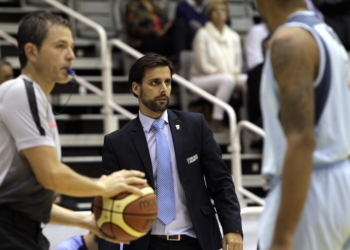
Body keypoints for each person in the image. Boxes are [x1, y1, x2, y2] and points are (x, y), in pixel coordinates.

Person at [0, 12, 147, 250]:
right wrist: (103, 186)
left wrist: (87, 221)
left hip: (23, 229)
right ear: (32, 51)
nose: (72, 56)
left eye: (72, 46)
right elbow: (51, 175)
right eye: (60, 46)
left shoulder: (36, 99)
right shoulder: (21, 91)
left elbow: (26, 203)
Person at [98, 54, 243, 250]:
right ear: (136, 88)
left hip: (197, 241)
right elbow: (110, 205)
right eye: (155, 82)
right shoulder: (117, 142)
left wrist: (232, 228)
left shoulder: (195, 126)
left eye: (167, 82)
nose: (163, 89)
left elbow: (221, 182)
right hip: (148, 244)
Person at [255, 0, 350, 249]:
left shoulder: (291, 41)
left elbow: (302, 139)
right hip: (337, 179)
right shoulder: (328, 34)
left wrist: (283, 236)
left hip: (311, 185)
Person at [189, 0, 247, 132]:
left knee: (248, 80)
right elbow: (203, 65)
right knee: (227, 80)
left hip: (227, 77)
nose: (220, 14)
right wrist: (221, 73)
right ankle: (216, 120)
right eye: (216, 10)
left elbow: (238, 62)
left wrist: (235, 72)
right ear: (209, 14)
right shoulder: (202, 34)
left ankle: (248, 119)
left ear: (227, 14)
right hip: (200, 79)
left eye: (223, 10)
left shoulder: (233, 36)